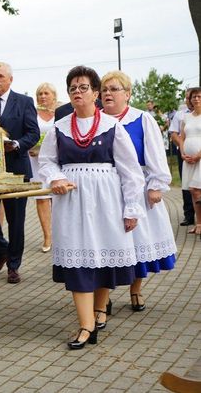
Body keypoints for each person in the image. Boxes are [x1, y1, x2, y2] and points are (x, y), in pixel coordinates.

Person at [39, 66, 145, 349]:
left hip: (106, 200)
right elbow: (46, 161)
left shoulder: (112, 127)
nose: (77, 92)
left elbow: (131, 171)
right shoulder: (59, 128)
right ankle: (86, 325)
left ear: (96, 93)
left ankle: (100, 309)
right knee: (79, 260)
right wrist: (56, 177)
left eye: (83, 87)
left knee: (102, 256)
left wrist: (131, 208)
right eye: (73, 87)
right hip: (72, 201)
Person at [101, 70, 176, 316]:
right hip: (107, 190)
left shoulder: (142, 119)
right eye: (104, 90)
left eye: (114, 89)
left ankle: (135, 288)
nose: (108, 93)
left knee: (138, 241)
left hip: (139, 186)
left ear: (128, 93)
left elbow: (155, 153)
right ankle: (104, 294)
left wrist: (156, 185)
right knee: (107, 241)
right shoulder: (96, 120)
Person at [0, 62, 40, 284]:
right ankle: (1, 251)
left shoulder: (24, 102)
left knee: (16, 220)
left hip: (16, 168)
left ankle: (13, 266)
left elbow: (33, 133)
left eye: (0, 76)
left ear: (10, 79)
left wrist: (16, 144)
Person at [28, 82, 57, 253]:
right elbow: (29, 133)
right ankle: (47, 236)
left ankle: (60, 234)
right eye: (40, 93)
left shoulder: (60, 113)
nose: (43, 96)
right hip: (35, 161)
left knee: (57, 198)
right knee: (41, 198)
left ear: (54, 95)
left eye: (46, 93)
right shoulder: (33, 114)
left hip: (55, 161)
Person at [170, 90, 195, 226]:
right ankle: (189, 215)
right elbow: (174, 134)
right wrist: (182, 147)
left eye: (190, 98)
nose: (188, 100)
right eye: (186, 98)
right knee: (186, 184)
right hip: (183, 155)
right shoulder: (180, 115)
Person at [179, 87, 201, 236]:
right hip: (188, 160)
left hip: (200, 159)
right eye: (194, 97)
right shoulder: (186, 118)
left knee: (196, 190)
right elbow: (181, 138)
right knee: (193, 192)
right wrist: (182, 153)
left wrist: (198, 155)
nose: (196, 99)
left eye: (199, 96)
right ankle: (198, 224)